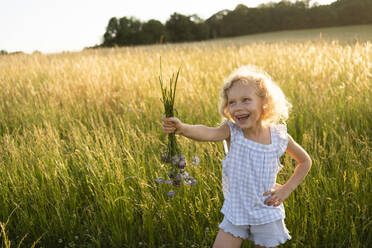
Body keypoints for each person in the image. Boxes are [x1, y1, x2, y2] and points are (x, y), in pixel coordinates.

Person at [162, 65, 312, 248]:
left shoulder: (279, 137)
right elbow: (208, 133)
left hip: (266, 209)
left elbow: (305, 161)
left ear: (264, 103)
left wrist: (286, 189)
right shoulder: (232, 131)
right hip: (237, 210)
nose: (238, 108)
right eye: (232, 102)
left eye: (246, 100)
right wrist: (183, 128)